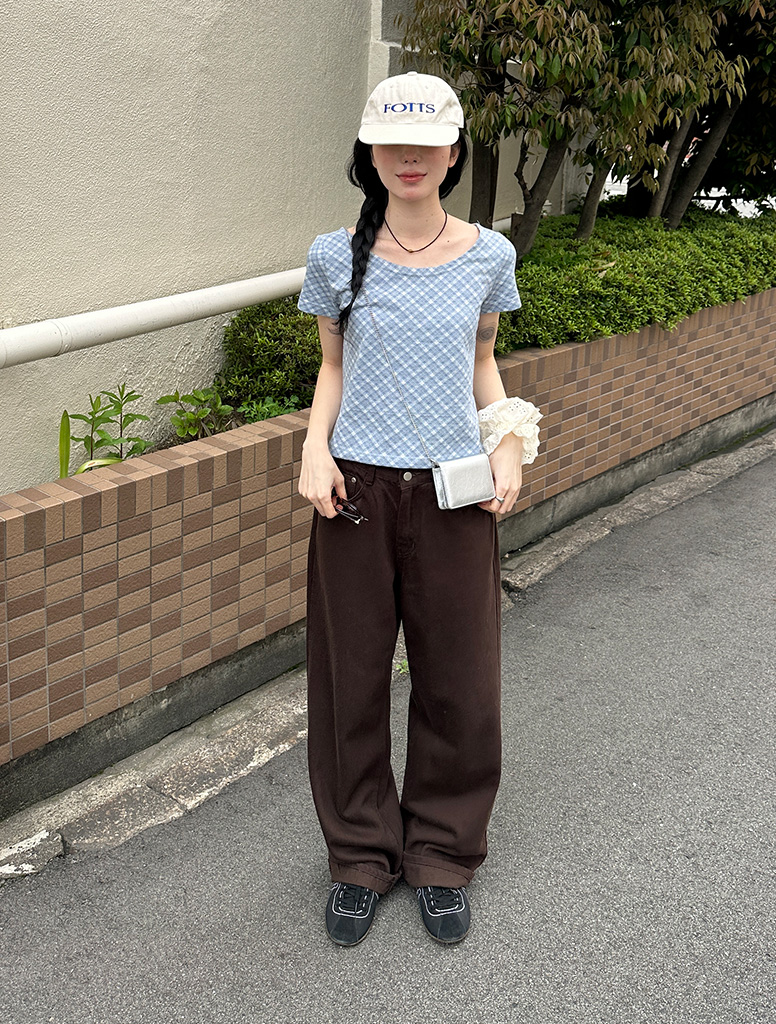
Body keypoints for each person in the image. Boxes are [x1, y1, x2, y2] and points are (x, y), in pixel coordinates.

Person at [297, 71, 540, 946]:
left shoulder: (488, 255)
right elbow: (332, 367)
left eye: (427, 143)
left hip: (453, 494)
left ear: (453, 152)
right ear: (368, 152)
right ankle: (361, 855)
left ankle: (441, 853)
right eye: (392, 143)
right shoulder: (336, 255)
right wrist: (314, 447)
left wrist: (508, 439)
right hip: (355, 496)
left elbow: (482, 365)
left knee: (460, 683)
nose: (409, 157)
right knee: (350, 682)